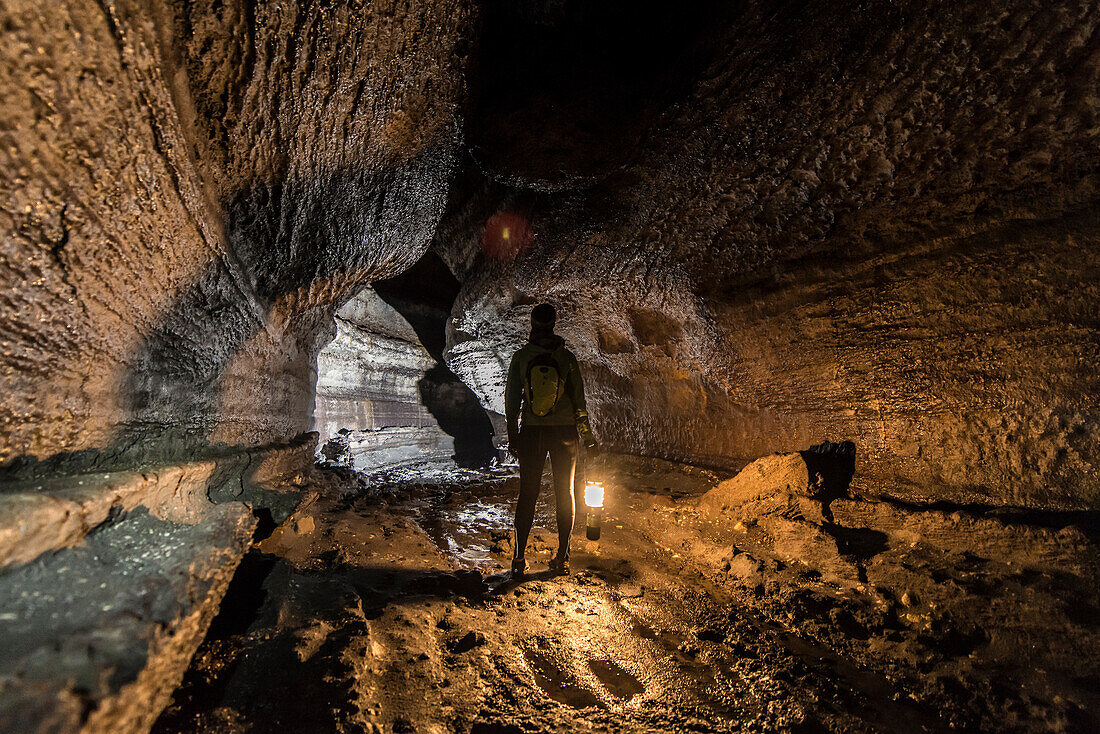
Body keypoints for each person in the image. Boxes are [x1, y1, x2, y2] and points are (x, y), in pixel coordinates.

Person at [505, 303, 597, 577]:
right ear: (554, 325)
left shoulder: (521, 358)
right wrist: (588, 436)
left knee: (528, 494)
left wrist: (513, 437)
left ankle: (519, 561)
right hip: (565, 434)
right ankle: (562, 557)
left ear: (532, 325)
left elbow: (511, 403)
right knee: (565, 494)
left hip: (533, 433)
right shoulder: (567, 359)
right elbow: (579, 403)